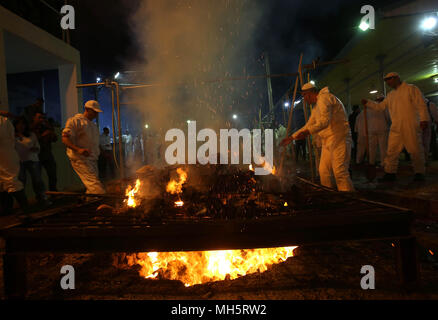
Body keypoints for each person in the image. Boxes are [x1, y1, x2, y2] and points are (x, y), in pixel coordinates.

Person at [281, 83, 355, 192]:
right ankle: (328, 193)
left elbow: (324, 122)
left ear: (310, 94)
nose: (305, 100)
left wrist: (307, 132)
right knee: (323, 171)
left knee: (340, 172)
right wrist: (291, 138)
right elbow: (309, 125)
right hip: (328, 141)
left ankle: (349, 197)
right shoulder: (317, 106)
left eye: (304, 96)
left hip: (339, 138)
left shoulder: (324, 98)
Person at [361, 72, 430, 182]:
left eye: (389, 79)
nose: (388, 82)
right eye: (386, 81)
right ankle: (390, 173)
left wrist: (424, 119)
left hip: (410, 124)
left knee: (415, 150)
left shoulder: (411, 88)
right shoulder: (390, 95)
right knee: (392, 151)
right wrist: (368, 103)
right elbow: (380, 107)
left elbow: (420, 104)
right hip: (396, 126)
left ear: (397, 78)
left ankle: (419, 172)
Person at [62, 100, 105, 194]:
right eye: (94, 112)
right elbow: (65, 139)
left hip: (92, 160)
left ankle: (88, 202)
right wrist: (78, 150)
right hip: (81, 160)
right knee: (96, 189)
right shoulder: (75, 121)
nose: (96, 114)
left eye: (97, 112)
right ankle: (100, 205)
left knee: (91, 187)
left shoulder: (93, 125)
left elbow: (94, 142)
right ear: (87, 109)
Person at [0, 111, 28, 215]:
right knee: (2, 184)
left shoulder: (3, 121)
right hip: (5, 155)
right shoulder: (5, 120)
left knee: (10, 181)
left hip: (5, 156)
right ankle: (6, 210)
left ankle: (25, 210)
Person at [32, 112, 58, 191]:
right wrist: (43, 135)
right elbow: (31, 141)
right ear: (34, 118)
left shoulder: (46, 126)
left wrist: (50, 130)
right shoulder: (30, 128)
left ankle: (53, 193)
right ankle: (41, 196)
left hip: (47, 154)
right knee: (37, 178)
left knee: (53, 175)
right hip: (36, 156)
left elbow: (55, 139)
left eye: (43, 118)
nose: (41, 119)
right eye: (39, 117)